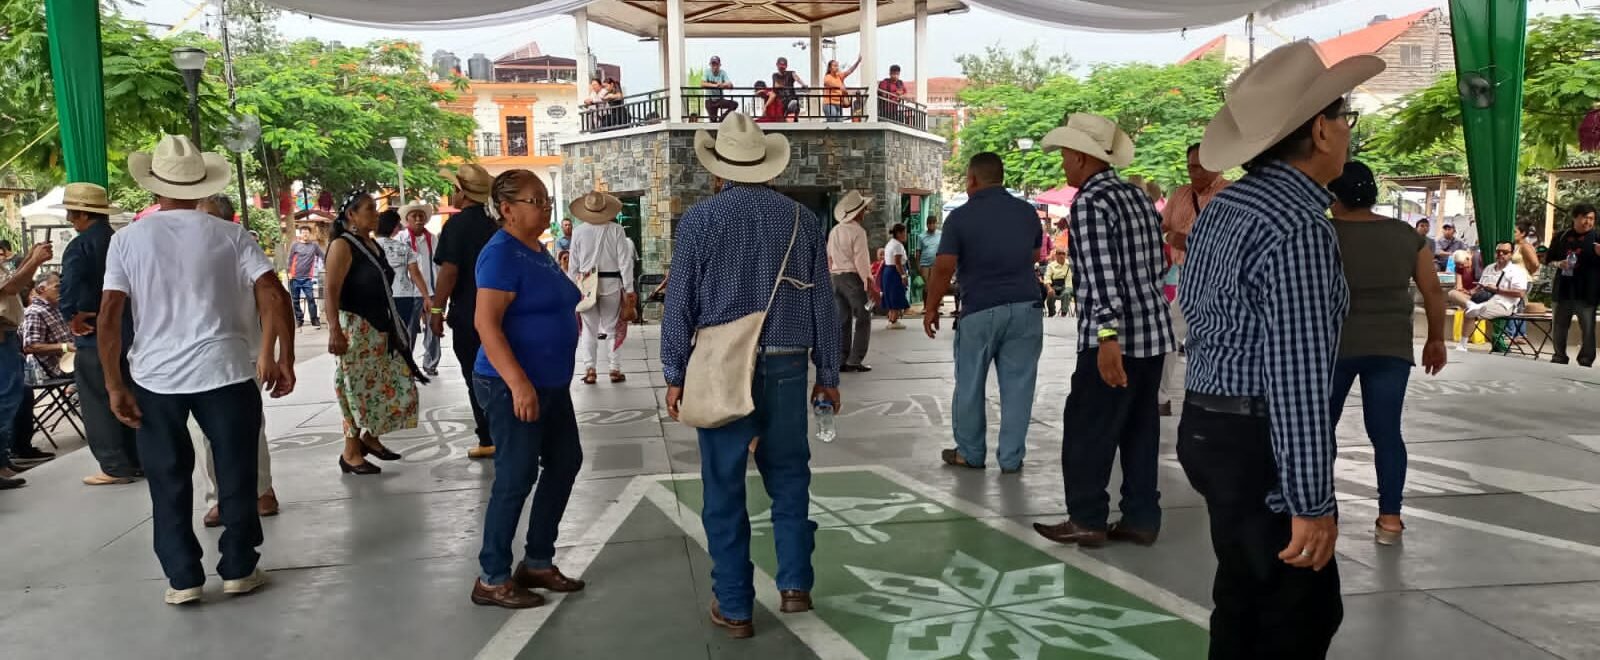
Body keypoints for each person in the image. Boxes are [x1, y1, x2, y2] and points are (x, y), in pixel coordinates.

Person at [1179, 42, 1380, 656]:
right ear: (1321, 130)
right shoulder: (1297, 228)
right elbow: (1295, 382)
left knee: (1242, 599)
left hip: (1208, 425)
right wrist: (1311, 501)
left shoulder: (1224, 207)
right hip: (1258, 441)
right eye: (1345, 120)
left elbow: (1195, 307)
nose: (1348, 133)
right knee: (1296, 617)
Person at [662, 112, 838, 638]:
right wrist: (827, 372)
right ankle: (795, 585)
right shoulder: (803, 221)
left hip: (719, 367)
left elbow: (679, 305)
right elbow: (824, 305)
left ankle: (736, 606)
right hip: (786, 363)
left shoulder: (699, 221)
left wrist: (675, 371)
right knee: (788, 476)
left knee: (722, 486)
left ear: (719, 170)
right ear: (768, 167)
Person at [99, 134, 296, 604]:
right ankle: (238, 569)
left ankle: (183, 579)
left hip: (154, 377)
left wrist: (113, 384)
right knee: (236, 471)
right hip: (225, 370)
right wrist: (279, 354)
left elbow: (109, 314)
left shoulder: (126, 240)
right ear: (202, 186)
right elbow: (272, 292)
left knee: (168, 478)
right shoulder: (230, 234)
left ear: (153, 186)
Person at [1031, 114, 1174, 548]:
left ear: (1079, 156)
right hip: (1152, 334)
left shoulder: (1091, 203)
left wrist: (1107, 337)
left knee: (1088, 427)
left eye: (1064, 156)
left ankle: (1088, 516)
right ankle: (1141, 517)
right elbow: (1160, 263)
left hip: (1113, 339)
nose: (1062, 164)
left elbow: (1100, 276)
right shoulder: (1136, 196)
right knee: (1140, 429)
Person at [468, 169, 588, 609]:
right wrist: (518, 383)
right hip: (511, 383)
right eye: (535, 201)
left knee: (565, 461)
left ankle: (537, 559)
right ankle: (492, 576)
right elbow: (486, 323)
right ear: (507, 209)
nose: (545, 207)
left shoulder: (536, 250)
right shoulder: (501, 254)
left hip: (550, 383)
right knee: (516, 476)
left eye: (546, 200)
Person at [1327, 160, 1448, 546]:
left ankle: (1323, 511)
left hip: (1334, 347)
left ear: (1334, 195)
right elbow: (1432, 290)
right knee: (1386, 432)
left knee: (1319, 431)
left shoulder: (1323, 233)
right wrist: (1436, 339)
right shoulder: (1405, 235)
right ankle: (1390, 518)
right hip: (1391, 347)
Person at [923, 152, 1043, 474]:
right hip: (1026, 307)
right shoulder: (1027, 212)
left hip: (979, 310)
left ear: (972, 179)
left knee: (970, 383)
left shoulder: (960, 218)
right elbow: (1033, 254)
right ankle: (1011, 458)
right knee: (1019, 386)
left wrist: (932, 307)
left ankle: (971, 452)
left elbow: (944, 266)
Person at [326, 193, 426, 476]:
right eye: (369, 209)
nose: (375, 214)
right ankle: (351, 451)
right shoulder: (342, 246)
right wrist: (334, 330)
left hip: (379, 328)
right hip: (355, 329)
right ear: (352, 216)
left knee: (393, 385)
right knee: (354, 390)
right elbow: (331, 292)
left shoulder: (373, 246)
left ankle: (370, 437)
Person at [53, 183, 144, 486]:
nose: (69, 219)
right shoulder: (121, 240)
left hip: (94, 331)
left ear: (81, 213)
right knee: (129, 393)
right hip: (129, 330)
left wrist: (71, 315)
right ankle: (138, 460)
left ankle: (115, 465)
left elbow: (69, 286)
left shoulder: (80, 246)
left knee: (97, 398)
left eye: (71, 213)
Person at [431, 164, 501, 459]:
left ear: (462, 192)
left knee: (476, 374)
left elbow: (449, 272)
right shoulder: (497, 223)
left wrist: (436, 308)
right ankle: (509, 431)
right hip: (502, 312)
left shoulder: (456, 227)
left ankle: (487, 436)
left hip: (469, 313)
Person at [1159, 144, 1231, 417]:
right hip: (1187, 277)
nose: (1194, 172)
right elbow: (1162, 226)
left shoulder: (1229, 194)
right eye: (1190, 166)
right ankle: (1161, 398)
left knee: (1214, 339)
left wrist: (1189, 242)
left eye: (1200, 166)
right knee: (1168, 333)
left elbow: (1230, 241)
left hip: (1220, 277)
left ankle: (1215, 396)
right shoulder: (1180, 195)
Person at [567, 191, 637, 384]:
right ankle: (615, 369)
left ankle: (590, 369)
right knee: (612, 328)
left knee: (589, 330)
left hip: (586, 285)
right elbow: (625, 262)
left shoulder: (579, 231)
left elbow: (573, 264)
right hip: (611, 284)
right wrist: (629, 289)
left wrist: (573, 287)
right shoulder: (617, 230)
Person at [0, 239, 50, 489]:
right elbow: (10, 287)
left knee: (13, 395)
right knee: (6, 398)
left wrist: (30, 259)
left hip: (6, 334)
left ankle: (3, 461)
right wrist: (35, 261)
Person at [16, 273, 67, 464]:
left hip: (69, 359)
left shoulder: (56, 309)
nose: (61, 290)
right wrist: (64, 347)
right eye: (57, 287)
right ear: (41, 289)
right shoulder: (35, 312)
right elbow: (30, 346)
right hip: (50, 368)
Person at [828, 190, 878, 372]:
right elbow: (861, 261)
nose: (865, 213)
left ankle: (841, 357)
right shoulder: (858, 232)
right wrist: (869, 283)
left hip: (836, 277)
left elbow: (829, 258)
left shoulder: (835, 231)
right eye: (864, 210)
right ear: (858, 212)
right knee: (863, 317)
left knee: (843, 319)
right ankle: (855, 359)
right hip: (852, 278)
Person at [1448, 240, 1529, 352]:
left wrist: (1497, 290)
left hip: (1503, 303)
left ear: (1511, 254)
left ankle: (1462, 345)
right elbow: (1479, 288)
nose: (1500, 254)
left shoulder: (1516, 271)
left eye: (1505, 252)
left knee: (1470, 312)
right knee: (1452, 293)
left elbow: (1520, 293)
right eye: (1498, 251)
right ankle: (1472, 305)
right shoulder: (1489, 268)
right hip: (1482, 298)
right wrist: (1470, 292)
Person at [1545, 203, 1599, 366]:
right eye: (1585, 217)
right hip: (1563, 291)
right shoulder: (1561, 237)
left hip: (1587, 293)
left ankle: (1585, 359)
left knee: (1588, 329)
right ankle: (1559, 356)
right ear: (1575, 217)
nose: (1588, 222)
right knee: (1559, 327)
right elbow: (1548, 260)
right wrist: (1558, 264)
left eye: (1591, 219)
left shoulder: (1597, 238)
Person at [375, 209, 432, 347]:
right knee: (400, 335)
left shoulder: (370, 247)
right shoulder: (403, 248)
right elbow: (415, 274)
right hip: (404, 296)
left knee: (381, 337)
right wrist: (426, 297)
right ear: (394, 228)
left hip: (378, 297)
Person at [397, 202, 441, 376]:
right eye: (414, 216)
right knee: (409, 330)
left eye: (421, 215)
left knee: (434, 329)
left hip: (431, 291)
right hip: (410, 293)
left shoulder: (433, 239)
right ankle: (407, 364)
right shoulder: (401, 239)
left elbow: (438, 266)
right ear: (407, 219)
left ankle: (430, 363)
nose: (417, 219)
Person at [287, 227, 324, 328]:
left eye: (307, 233)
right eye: (303, 233)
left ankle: (314, 319)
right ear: (300, 234)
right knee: (295, 300)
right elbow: (290, 259)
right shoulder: (295, 245)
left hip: (307, 278)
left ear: (310, 234)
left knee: (311, 299)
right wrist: (289, 272)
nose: (305, 235)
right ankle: (299, 319)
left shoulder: (314, 246)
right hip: (294, 277)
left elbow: (322, 256)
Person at [880, 223, 911, 327]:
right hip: (894, 272)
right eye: (904, 233)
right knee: (896, 294)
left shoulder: (890, 243)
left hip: (888, 271)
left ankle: (891, 318)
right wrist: (903, 276)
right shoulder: (897, 245)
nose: (905, 235)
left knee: (891, 294)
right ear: (898, 234)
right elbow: (897, 263)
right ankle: (893, 320)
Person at [822, 56, 861, 122]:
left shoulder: (839, 76)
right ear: (830, 68)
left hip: (838, 103)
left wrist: (857, 62)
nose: (837, 67)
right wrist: (840, 86)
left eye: (837, 66)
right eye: (835, 66)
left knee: (839, 122)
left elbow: (849, 71)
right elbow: (828, 82)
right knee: (832, 120)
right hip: (829, 103)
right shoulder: (827, 77)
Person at [702, 56, 738, 122]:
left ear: (719, 65)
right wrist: (715, 85)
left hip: (719, 100)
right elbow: (702, 84)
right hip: (709, 100)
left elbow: (730, 84)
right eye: (713, 64)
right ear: (710, 65)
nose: (715, 67)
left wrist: (722, 85)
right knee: (713, 121)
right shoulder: (707, 72)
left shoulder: (722, 73)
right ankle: (717, 123)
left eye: (716, 64)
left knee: (734, 104)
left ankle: (722, 119)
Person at [1043, 249, 1071, 318]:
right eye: (1059, 253)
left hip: (1067, 285)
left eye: (1063, 253)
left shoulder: (1070, 265)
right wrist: (1049, 288)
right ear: (1056, 255)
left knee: (1066, 293)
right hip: (1055, 285)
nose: (1061, 255)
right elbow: (1047, 278)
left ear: (1066, 255)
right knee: (1050, 293)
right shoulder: (1051, 266)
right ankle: (1051, 312)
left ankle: (1063, 314)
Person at [918, 214, 942, 290]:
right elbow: (918, 252)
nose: (932, 225)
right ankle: (926, 302)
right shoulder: (921, 236)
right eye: (930, 223)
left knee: (936, 286)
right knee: (926, 287)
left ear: (936, 224)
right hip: (925, 265)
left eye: (934, 223)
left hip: (936, 264)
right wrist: (918, 266)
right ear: (927, 224)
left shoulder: (940, 234)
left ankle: (937, 302)